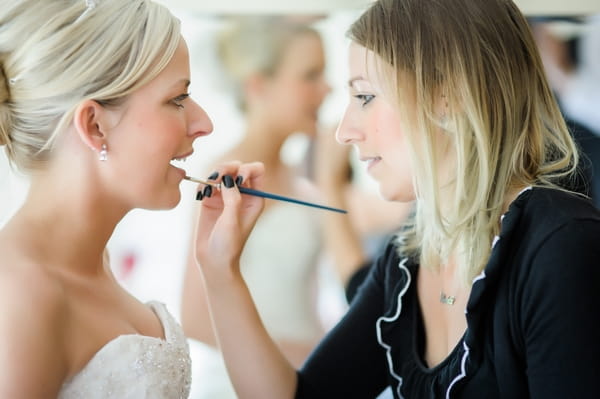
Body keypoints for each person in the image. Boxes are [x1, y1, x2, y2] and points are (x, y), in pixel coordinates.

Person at [189, 0, 600, 398]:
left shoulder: (560, 247)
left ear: (447, 94)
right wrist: (221, 271)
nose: (344, 132)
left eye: (365, 96)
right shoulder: (407, 259)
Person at [0, 0, 213, 397]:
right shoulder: (20, 293)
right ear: (95, 125)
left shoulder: (95, 261)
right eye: (177, 100)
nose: (204, 123)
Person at [179, 16, 331, 399]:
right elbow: (196, 318)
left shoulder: (306, 183)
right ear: (258, 86)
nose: (326, 89)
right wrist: (300, 357)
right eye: (310, 75)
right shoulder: (220, 181)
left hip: (310, 381)